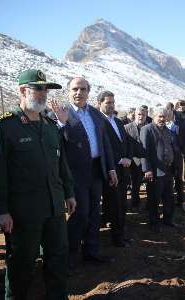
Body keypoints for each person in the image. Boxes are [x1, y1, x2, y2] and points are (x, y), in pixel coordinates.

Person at [0, 69, 76, 299]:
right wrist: (1, 210)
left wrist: (69, 193)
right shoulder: (5, 125)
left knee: (57, 260)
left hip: (54, 208)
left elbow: (61, 164)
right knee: (21, 266)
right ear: (22, 91)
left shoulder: (48, 126)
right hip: (23, 213)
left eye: (46, 89)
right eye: (38, 88)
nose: (43, 93)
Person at [50, 77, 118, 273]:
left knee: (95, 213)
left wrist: (111, 167)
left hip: (96, 170)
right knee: (80, 214)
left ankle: (91, 252)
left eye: (82, 89)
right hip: (75, 174)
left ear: (89, 92)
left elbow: (104, 143)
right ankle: (70, 258)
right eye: (74, 89)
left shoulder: (96, 114)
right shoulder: (60, 113)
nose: (78, 92)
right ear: (69, 92)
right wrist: (61, 124)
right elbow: (55, 143)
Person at [97, 91, 132, 247]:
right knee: (115, 205)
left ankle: (121, 234)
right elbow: (104, 147)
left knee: (123, 203)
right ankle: (117, 238)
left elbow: (124, 143)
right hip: (110, 170)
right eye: (107, 102)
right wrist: (119, 159)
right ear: (99, 104)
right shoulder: (98, 122)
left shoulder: (117, 122)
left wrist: (129, 158)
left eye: (112, 102)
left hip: (123, 170)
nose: (111, 105)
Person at [140, 106, 177, 232]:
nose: (162, 119)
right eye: (159, 116)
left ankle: (168, 220)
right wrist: (147, 170)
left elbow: (170, 146)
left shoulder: (167, 130)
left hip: (168, 169)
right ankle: (154, 223)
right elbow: (144, 151)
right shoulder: (147, 129)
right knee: (154, 198)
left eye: (164, 117)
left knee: (169, 196)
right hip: (154, 171)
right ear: (154, 116)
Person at [165, 102, 185, 212]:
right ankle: (168, 202)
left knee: (178, 179)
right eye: (165, 111)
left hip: (177, 155)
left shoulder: (180, 120)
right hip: (165, 157)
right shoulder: (162, 120)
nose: (167, 113)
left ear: (173, 110)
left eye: (168, 110)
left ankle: (180, 202)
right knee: (167, 179)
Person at [124, 106, 148, 210]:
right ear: (135, 115)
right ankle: (134, 203)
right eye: (139, 114)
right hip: (133, 161)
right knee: (135, 183)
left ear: (146, 116)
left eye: (143, 115)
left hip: (146, 160)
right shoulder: (127, 127)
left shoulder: (149, 127)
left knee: (149, 183)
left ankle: (150, 203)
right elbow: (124, 144)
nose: (141, 117)